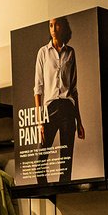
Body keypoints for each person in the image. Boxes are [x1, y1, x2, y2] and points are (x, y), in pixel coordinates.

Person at [34, 16, 85, 185]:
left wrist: (79, 122)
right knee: (40, 165)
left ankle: (64, 196)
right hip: (49, 109)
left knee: (66, 163)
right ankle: (47, 194)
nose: (53, 29)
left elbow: (74, 89)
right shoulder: (43, 53)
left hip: (68, 109)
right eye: (50, 25)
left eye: (56, 25)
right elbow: (38, 89)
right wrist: (39, 121)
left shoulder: (71, 52)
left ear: (63, 28)